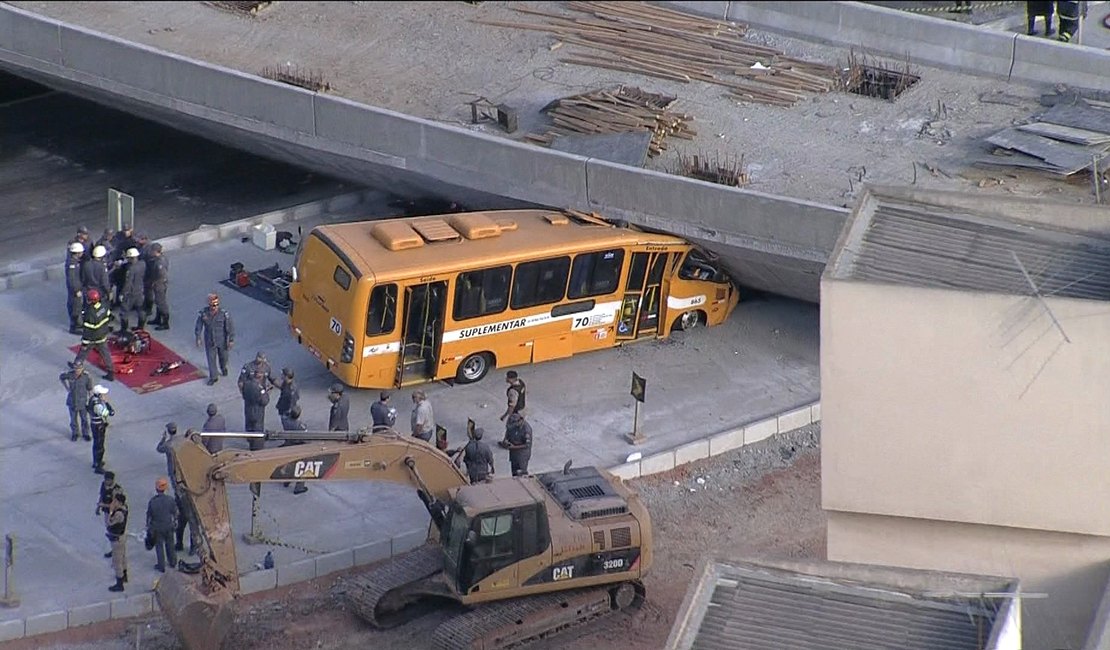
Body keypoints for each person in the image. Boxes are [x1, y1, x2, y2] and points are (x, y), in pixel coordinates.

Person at [75, 287, 116, 381]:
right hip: (102, 335)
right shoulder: (104, 306)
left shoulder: (90, 313)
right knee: (106, 354)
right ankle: (110, 372)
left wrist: (85, 342)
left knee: (83, 352)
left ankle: (76, 365)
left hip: (92, 338)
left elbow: (88, 331)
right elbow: (109, 317)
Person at [195, 293, 235, 385]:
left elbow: (230, 327)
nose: (215, 307)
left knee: (224, 357)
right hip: (210, 339)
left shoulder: (224, 314)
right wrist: (198, 337)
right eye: (213, 305)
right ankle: (213, 377)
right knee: (211, 359)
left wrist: (231, 339)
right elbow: (199, 325)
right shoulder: (203, 313)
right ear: (209, 304)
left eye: (217, 305)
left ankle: (223, 367)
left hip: (222, 339)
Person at [146, 477, 177, 573]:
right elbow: (175, 513)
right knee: (170, 545)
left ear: (156, 489)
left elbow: (149, 516)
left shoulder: (153, 502)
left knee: (159, 546)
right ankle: (172, 562)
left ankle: (161, 565)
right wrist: (174, 522)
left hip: (157, 527)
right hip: (168, 526)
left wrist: (149, 528)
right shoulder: (170, 500)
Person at [60, 360, 93, 441]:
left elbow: (89, 389)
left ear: (82, 368)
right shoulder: (70, 375)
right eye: (76, 368)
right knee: (73, 419)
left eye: (79, 368)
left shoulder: (86, 376)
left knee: (84, 419)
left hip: (83, 402)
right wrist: (66, 387)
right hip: (72, 401)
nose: (77, 370)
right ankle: (75, 433)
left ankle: (85, 433)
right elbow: (61, 377)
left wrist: (91, 400)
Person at [86, 384, 115, 474]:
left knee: (97, 444)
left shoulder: (93, 399)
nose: (104, 395)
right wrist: (107, 403)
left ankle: (96, 462)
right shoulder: (97, 404)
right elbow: (108, 413)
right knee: (99, 446)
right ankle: (98, 465)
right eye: (102, 394)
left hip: (96, 424)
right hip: (98, 425)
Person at [281, 404, 309, 495]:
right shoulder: (300, 426)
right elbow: (306, 436)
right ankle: (299, 487)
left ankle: (287, 480)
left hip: (289, 444)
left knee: (290, 463)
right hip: (298, 446)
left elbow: (283, 415)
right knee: (302, 466)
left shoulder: (285, 421)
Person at [96, 471, 124, 558]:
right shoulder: (103, 485)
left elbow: (116, 504)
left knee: (114, 532)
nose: (106, 482)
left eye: (108, 480)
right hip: (106, 512)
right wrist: (98, 507)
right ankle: (114, 549)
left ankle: (117, 551)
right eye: (105, 480)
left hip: (114, 514)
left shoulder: (117, 490)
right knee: (109, 530)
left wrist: (102, 505)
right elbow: (101, 496)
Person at [117, 247, 146, 331]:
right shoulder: (142, 264)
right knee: (140, 309)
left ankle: (124, 329)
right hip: (140, 290)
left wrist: (123, 293)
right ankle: (140, 327)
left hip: (130, 293)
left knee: (124, 311)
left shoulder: (131, 269)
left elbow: (128, 283)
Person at [143, 242, 170, 330]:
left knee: (161, 302)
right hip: (158, 283)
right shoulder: (158, 259)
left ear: (155, 251)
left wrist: (154, 282)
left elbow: (162, 275)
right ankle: (158, 318)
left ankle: (165, 323)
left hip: (160, 284)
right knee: (158, 302)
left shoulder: (160, 262)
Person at [106, 492, 128, 592]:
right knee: (122, 557)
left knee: (117, 561)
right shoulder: (124, 508)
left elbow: (110, 523)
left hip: (117, 539)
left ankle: (119, 583)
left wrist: (110, 512)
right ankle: (124, 576)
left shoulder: (118, 514)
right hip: (121, 537)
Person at [241, 369, 270, 445]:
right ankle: (256, 444)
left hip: (248, 409)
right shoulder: (259, 388)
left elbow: (243, 394)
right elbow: (264, 401)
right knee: (257, 428)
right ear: (259, 376)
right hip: (257, 411)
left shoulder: (246, 384)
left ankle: (249, 439)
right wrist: (266, 393)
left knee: (249, 425)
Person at [499, 412, 533, 476]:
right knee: (514, 472)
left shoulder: (526, 429)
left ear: (521, 420)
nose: (514, 425)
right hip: (513, 454)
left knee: (521, 473)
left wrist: (513, 447)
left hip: (522, 455)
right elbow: (508, 432)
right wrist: (506, 441)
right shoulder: (513, 426)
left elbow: (527, 445)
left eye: (515, 423)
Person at [65, 242, 85, 333]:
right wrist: (76, 290)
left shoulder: (75, 261)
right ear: (77, 253)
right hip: (74, 290)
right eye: (80, 252)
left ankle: (78, 323)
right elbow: (72, 278)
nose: (82, 253)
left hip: (76, 288)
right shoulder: (72, 264)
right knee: (75, 307)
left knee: (78, 306)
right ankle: (74, 327)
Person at [156, 422, 178, 488]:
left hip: (174, 469)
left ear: (168, 432)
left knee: (176, 486)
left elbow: (159, 449)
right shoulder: (182, 440)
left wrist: (163, 439)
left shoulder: (167, 445)